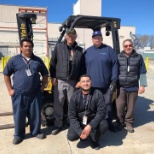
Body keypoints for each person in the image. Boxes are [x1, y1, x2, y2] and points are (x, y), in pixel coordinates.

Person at [3, 38, 48, 144]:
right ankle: (19, 135)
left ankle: (35, 132)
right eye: (25, 46)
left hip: (35, 94)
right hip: (19, 94)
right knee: (19, 116)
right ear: (21, 48)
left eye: (30, 46)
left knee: (35, 115)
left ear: (32, 48)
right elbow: (6, 74)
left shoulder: (38, 60)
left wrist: (42, 87)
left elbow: (45, 74)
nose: (28, 48)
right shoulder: (14, 60)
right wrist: (10, 89)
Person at [50, 28, 86, 135]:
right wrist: (53, 76)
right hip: (60, 80)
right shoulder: (59, 47)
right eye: (69, 35)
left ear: (75, 37)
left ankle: (71, 123)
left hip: (73, 81)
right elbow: (53, 62)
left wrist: (80, 80)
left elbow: (82, 68)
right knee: (59, 103)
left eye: (73, 35)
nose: (71, 37)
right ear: (66, 36)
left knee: (72, 103)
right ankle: (58, 124)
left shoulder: (79, 50)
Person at [84, 30, 118, 132]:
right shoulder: (87, 52)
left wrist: (114, 80)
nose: (97, 39)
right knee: (90, 105)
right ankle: (91, 124)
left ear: (102, 39)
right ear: (92, 39)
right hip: (91, 86)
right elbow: (83, 68)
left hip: (106, 85)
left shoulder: (109, 50)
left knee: (107, 105)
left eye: (99, 37)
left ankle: (109, 124)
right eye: (95, 37)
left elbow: (115, 64)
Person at [67, 74, 108, 150]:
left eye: (87, 81)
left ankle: (94, 139)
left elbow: (101, 112)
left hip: (93, 121)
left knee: (104, 124)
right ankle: (85, 134)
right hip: (80, 120)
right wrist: (80, 132)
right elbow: (72, 116)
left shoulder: (98, 94)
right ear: (79, 83)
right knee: (71, 136)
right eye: (83, 81)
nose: (86, 83)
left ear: (91, 82)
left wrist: (90, 126)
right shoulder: (75, 96)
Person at [116, 39, 147, 133]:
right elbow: (114, 71)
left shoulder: (138, 57)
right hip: (121, 87)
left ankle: (129, 122)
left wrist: (142, 85)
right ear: (123, 47)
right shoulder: (118, 57)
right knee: (120, 106)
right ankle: (120, 122)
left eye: (130, 45)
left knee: (131, 107)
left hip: (133, 86)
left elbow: (142, 71)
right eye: (126, 46)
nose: (128, 47)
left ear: (132, 46)